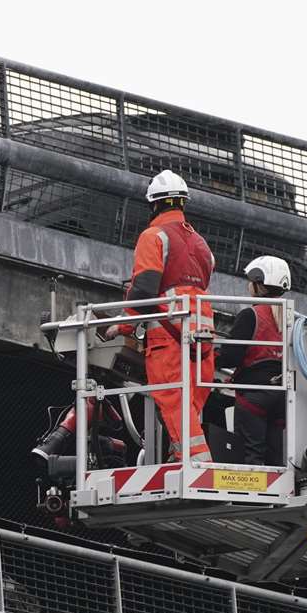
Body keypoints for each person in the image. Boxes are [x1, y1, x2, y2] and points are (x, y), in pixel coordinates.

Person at [106, 170, 215, 462]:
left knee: (172, 398)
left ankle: (196, 461)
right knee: (189, 403)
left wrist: (123, 326)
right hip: (202, 337)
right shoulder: (202, 245)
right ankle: (179, 455)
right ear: (182, 203)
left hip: (169, 336)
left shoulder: (153, 236)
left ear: (153, 204)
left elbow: (143, 292)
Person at [217, 255, 292, 465]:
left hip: (254, 395)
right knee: (276, 457)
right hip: (283, 397)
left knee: (250, 456)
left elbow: (230, 357)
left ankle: (249, 498)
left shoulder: (251, 315)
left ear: (259, 284)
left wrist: (206, 356)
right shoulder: (291, 318)